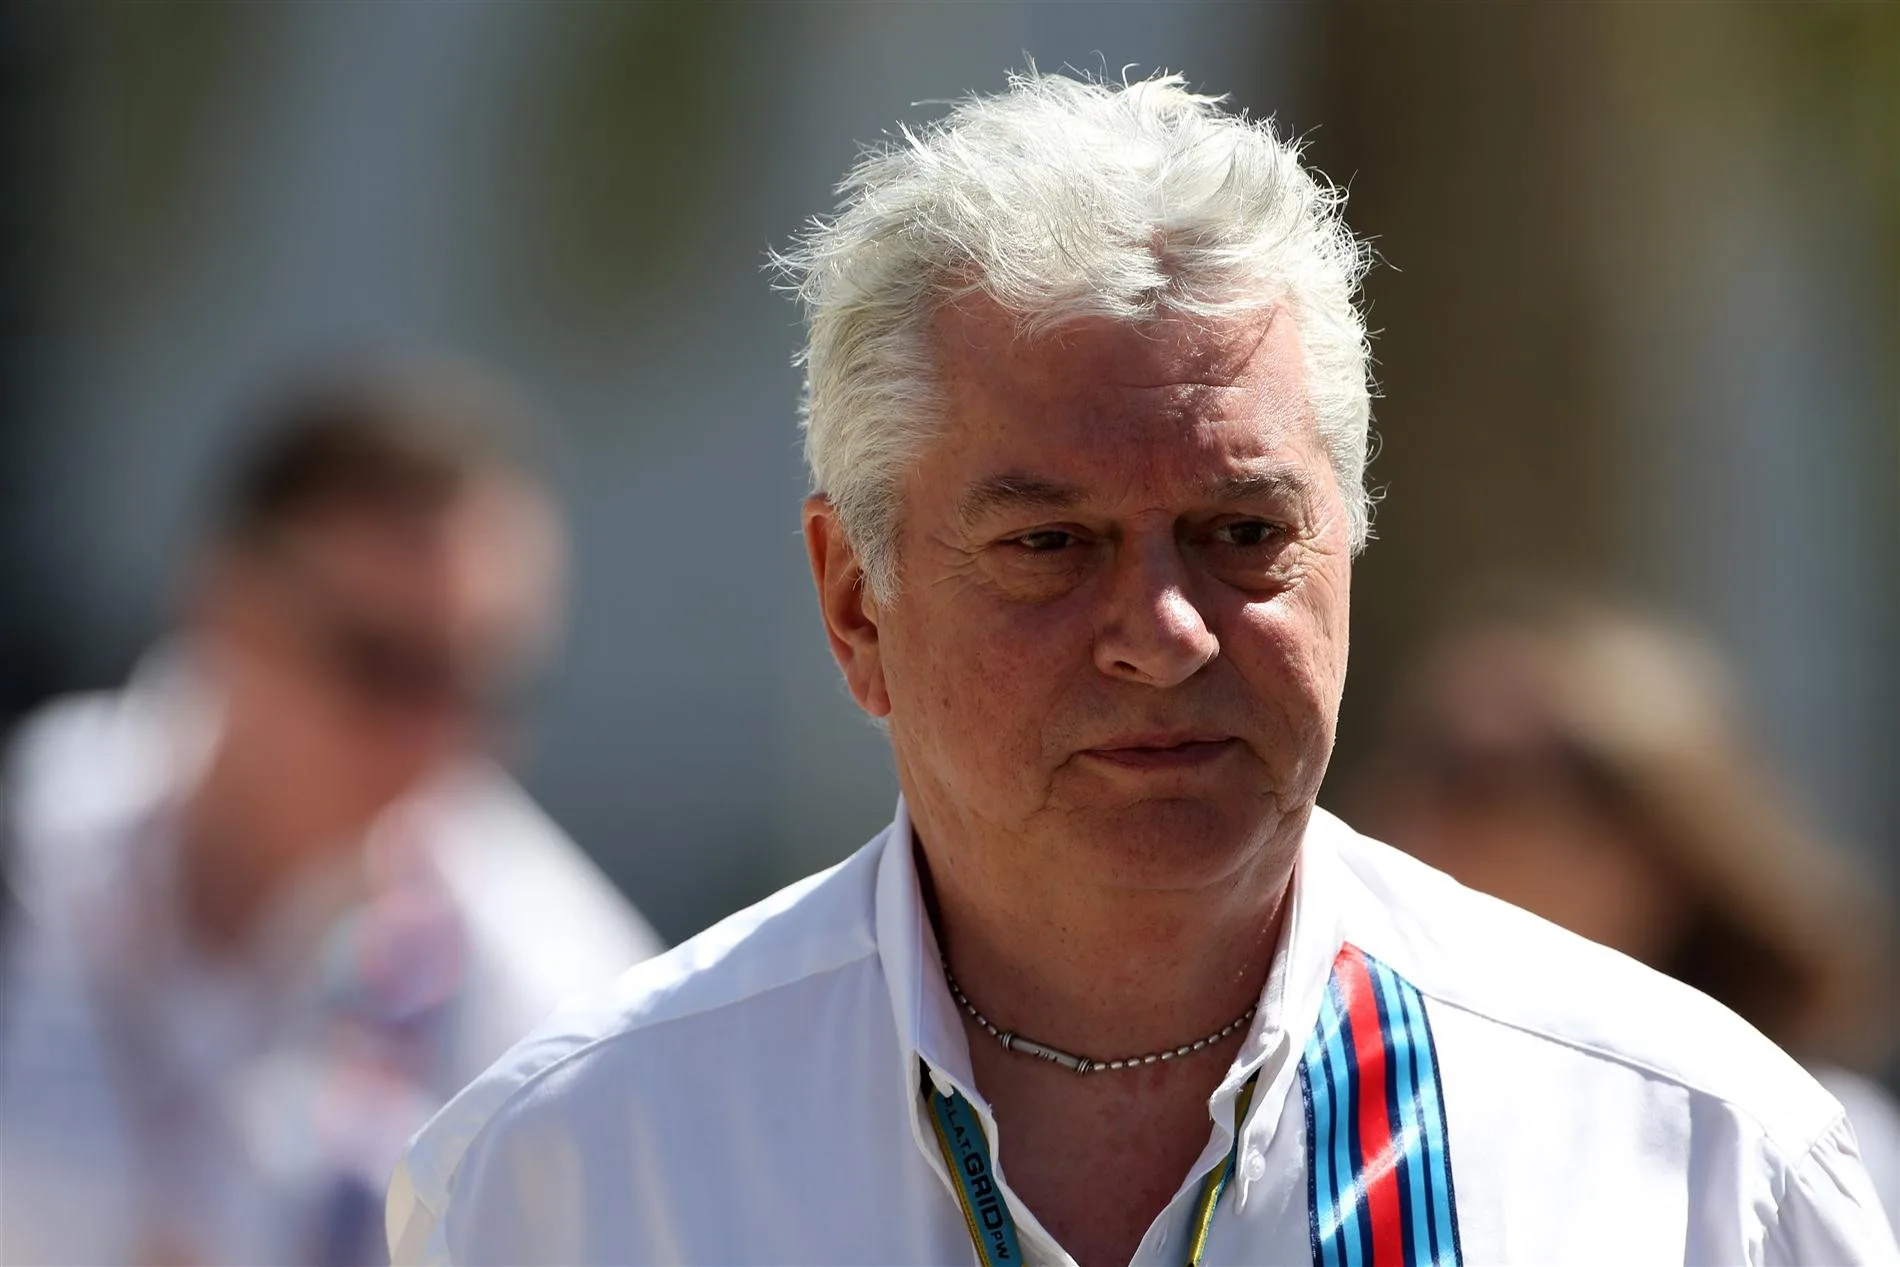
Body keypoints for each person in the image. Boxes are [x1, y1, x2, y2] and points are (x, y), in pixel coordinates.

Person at [388, 70, 1897, 1265]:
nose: (1165, 631)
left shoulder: (1692, 1149)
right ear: (856, 605)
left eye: (1243, 531)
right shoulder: (580, 1162)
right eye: (1050, 546)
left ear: (1349, 554)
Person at [0, 364, 663, 1266]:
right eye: (381, 662)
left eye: (484, 679)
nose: (434, 735)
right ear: (224, 605)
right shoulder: (36, 837)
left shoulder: (556, 1000)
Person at [1353, 585, 1900, 1233]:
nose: (1417, 819)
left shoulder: (1796, 1138)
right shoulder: (1338, 1114)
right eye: (1417, 761)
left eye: (1485, 782)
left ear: (1653, 848)